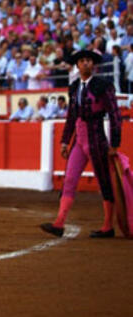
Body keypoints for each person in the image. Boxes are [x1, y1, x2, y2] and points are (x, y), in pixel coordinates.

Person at [41, 50, 122, 238]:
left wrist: (115, 143)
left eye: (89, 61)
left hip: (97, 139)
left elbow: (115, 114)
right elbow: (71, 116)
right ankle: (59, 223)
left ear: (93, 65)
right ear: (77, 65)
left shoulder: (103, 85)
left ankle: (108, 225)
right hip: (79, 139)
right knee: (69, 179)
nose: (86, 63)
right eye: (82, 61)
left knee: (104, 182)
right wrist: (64, 141)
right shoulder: (74, 86)